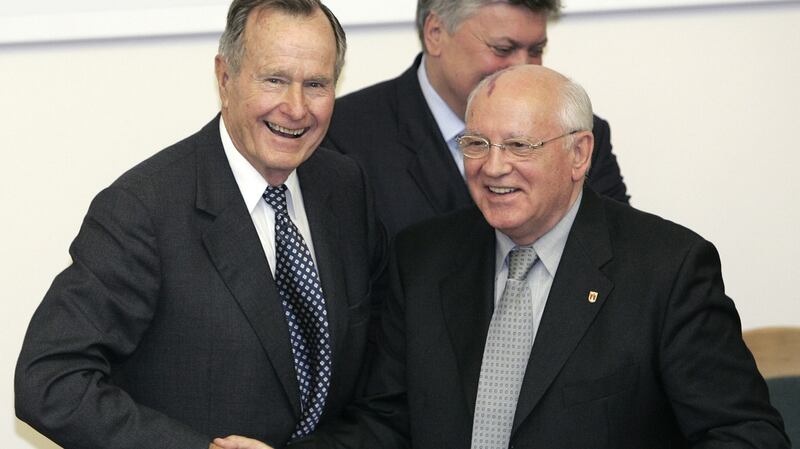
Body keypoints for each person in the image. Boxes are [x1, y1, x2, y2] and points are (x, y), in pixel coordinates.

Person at [214, 65, 789, 449]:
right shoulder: (424, 259)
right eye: (476, 144)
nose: (492, 167)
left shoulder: (668, 269)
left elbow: (746, 435)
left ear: (579, 154)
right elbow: (387, 423)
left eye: (519, 145)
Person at [14, 1, 386, 449]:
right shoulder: (143, 210)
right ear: (225, 78)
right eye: (274, 79)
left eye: (316, 84)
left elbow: (379, 381)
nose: (296, 107)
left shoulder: (346, 187)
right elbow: (50, 381)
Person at [323, 0, 629, 238]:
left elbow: (616, 255)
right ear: (435, 33)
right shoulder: (342, 136)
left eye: (536, 50)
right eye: (503, 49)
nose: (522, 66)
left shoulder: (574, 134)